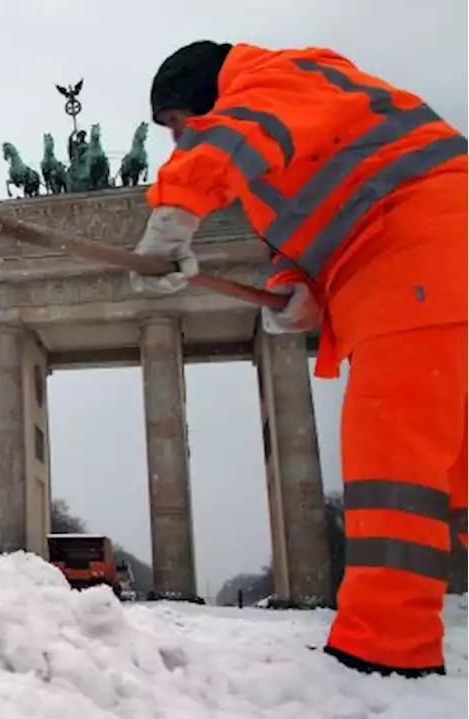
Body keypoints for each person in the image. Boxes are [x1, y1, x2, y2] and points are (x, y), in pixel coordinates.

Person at [129, 40, 469, 679]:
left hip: (421, 265)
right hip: (429, 264)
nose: (180, 144)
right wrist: (302, 284)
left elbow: (243, 135)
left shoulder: (274, 82)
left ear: (202, 96)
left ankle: (385, 651)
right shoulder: (293, 129)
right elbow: (325, 217)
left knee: (394, 459)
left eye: (179, 126)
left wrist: (175, 211)